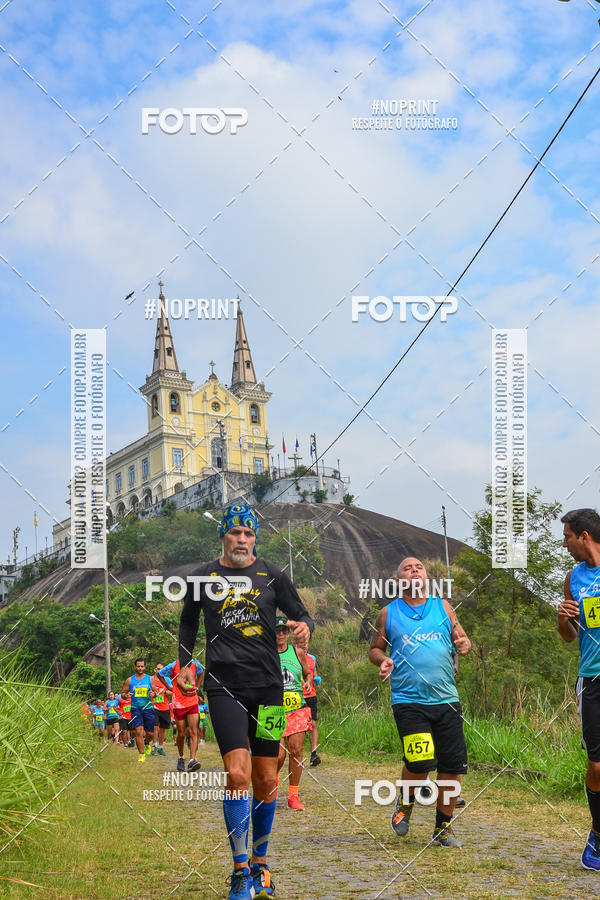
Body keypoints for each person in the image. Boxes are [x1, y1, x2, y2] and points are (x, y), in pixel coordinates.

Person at [177, 502, 313, 900]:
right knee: (237, 774)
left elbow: (302, 614)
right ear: (223, 535)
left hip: (269, 689)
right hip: (223, 686)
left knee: (267, 778)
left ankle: (261, 864)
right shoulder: (203, 576)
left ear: (255, 538)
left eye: (249, 534)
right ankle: (239, 871)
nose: (242, 540)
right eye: (235, 533)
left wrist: (305, 626)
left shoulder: (271, 574)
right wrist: (185, 663)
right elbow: (188, 621)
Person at [369, 556, 471, 848]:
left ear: (426, 576)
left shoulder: (443, 607)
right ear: (399, 580)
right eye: (406, 568)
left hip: (446, 698)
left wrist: (463, 644)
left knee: (451, 767)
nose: (413, 570)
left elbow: (461, 638)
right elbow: (375, 648)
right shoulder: (388, 613)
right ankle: (405, 804)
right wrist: (384, 659)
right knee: (421, 760)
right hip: (408, 700)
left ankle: (442, 829)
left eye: (419, 567)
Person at [558, 508, 600, 870]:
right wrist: (563, 620)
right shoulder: (573, 578)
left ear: (584, 536)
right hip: (592, 678)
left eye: (568, 536)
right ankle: (598, 836)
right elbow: (569, 637)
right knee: (598, 765)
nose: (565, 543)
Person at [275, 616, 313, 810]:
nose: (281, 634)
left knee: (296, 750)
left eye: (284, 630)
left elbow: (307, 672)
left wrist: (307, 681)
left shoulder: (296, 652)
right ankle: (272, 786)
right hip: (274, 709)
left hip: (297, 707)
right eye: (277, 630)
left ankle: (293, 796)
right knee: (279, 755)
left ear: (288, 634)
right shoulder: (266, 654)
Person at [157, 658, 203, 772]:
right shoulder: (174, 665)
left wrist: (197, 687)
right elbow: (159, 674)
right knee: (181, 733)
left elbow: (201, 672)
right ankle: (181, 757)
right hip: (178, 703)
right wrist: (170, 688)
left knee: (194, 731)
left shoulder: (195, 664)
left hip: (192, 701)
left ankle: (192, 760)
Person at [122, 658, 155, 763]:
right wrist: (126, 695)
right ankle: (141, 755)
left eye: (142, 666)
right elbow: (123, 694)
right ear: (135, 667)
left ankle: (146, 743)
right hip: (136, 709)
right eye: (138, 666)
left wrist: (153, 694)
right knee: (138, 731)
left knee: (150, 733)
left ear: (145, 667)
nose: (140, 668)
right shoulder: (129, 680)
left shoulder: (150, 679)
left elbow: (155, 692)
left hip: (148, 708)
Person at [303, 651, 321, 767]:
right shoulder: (293, 654)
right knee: (299, 728)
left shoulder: (312, 658)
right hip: (297, 695)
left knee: (313, 725)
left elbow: (314, 674)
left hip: (311, 695)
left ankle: (314, 754)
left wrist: (317, 679)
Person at [151, 664, 172, 757]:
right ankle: (154, 745)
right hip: (153, 707)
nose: (160, 671)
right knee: (155, 727)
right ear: (155, 669)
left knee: (163, 729)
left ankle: (160, 747)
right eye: (158, 669)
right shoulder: (151, 679)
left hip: (165, 707)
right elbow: (148, 691)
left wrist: (165, 692)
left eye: (162, 669)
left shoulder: (166, 680)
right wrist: (151, 693)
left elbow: (172, 692)